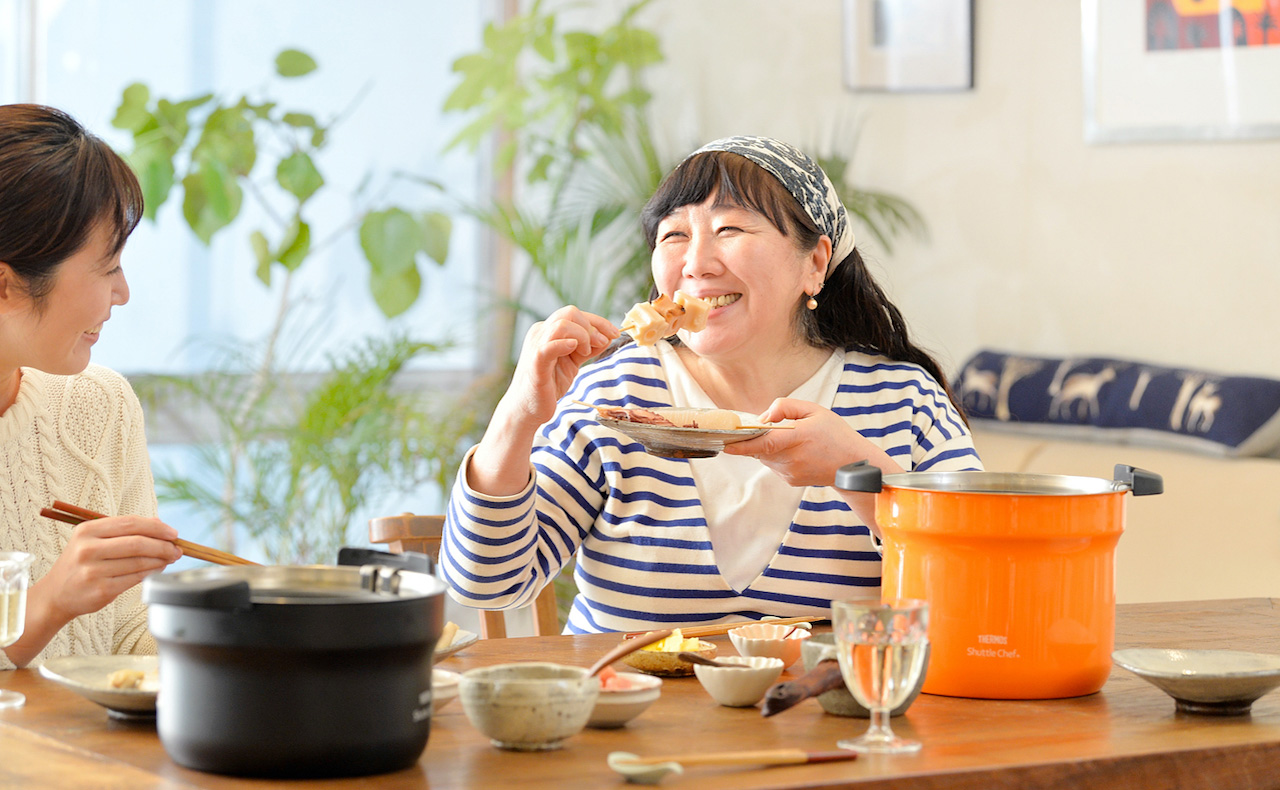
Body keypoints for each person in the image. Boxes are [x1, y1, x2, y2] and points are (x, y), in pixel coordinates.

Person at [439, 136, 981, 634]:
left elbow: (980, 593)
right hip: (628, 706)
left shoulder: (903, 402)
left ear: (814, 263)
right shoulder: (614, 396)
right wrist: (518, 415)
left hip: (832, 709)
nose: (696, 264)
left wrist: (861, 475)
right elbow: (486, 583)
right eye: (674, 235)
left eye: (730, 230)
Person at [0, 104, 182, 668]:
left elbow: (131, 635)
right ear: (6, 284)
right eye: (108, 268)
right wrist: (50, 601)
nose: (123, 293)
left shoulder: (100, 403)